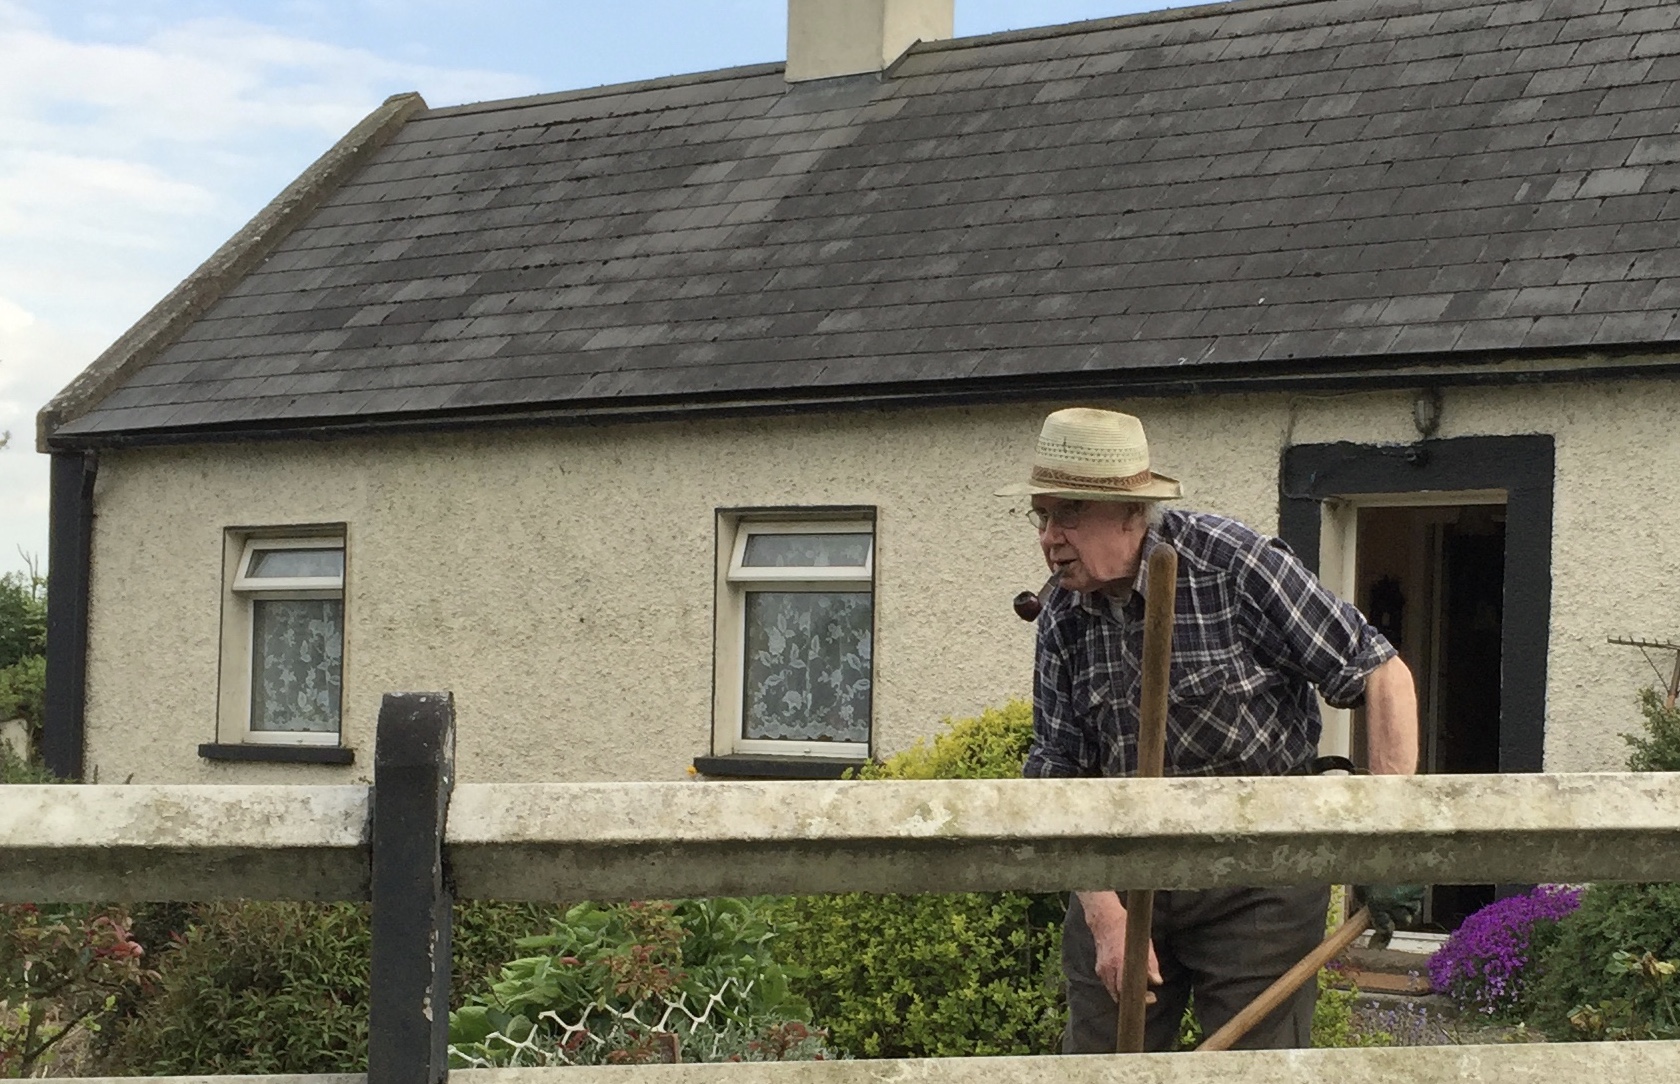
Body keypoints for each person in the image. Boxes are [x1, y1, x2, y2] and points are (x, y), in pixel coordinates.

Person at [996, 406, 1419, 1053]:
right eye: (1042, 516)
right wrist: (1105, 918)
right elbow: (1058, 775)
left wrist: (1391, 841)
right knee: (1102, 1068)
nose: (1050, 537)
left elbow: (1380, 672)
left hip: (1261, 875)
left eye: (1069, 514)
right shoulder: (1063, 613)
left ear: (1131, 513)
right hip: (1127, 872)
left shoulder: (1234, 564)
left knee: (1255, 1070)